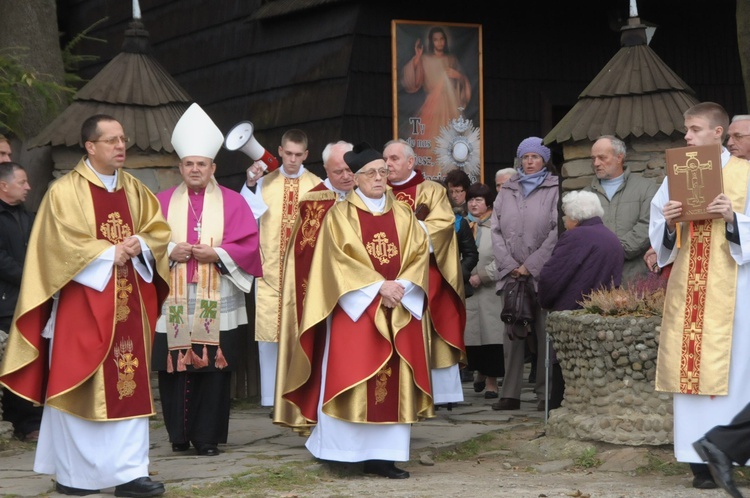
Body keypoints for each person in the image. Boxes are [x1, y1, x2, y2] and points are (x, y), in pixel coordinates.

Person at [0, 114, 171, 497]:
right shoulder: (65, 192)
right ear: (90, 146)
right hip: (83, 306)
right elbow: (55, 247)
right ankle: (76, 476)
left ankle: (130, 473)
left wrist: (140, 245)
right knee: (79, 383)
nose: (120, 146)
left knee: (129, 383)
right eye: (110, 140)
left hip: (129, 307)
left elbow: (158, 231)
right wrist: (110, 252)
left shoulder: (137, 191)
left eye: (122, 139)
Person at [275, 143, 433, 479]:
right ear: (356, 179)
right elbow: (336, 263)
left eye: (383, 172)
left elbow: (419, 254)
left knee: (393, 382)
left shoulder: (404, 214)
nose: (379, 178)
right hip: (356, 312)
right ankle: (343, 453)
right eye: (371, 173)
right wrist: (378, 287)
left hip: (399, 308)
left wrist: (401, 286)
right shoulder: (339, 216)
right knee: (351, 373)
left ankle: (385, 457)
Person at [649, 102, 750, 491]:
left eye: (693, 129)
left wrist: (735, 219)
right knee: (688, 366)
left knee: (736, 369)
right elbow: (659, 227)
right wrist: (671, 223)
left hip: (735, 290)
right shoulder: (676, 174)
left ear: (716, 133)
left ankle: (728, 449)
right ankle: (697, 460)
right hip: (690, 286)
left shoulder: (744, 174)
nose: (687, 136)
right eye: (686, 130)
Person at [152, 104, 262, 457]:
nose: (195, 169)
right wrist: (171, 250)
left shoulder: (232, 202)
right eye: (189, 164)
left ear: (213, 167)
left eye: (202, 164)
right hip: (175, 295)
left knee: (214, 367)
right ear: (180, 167)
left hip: (218, 292)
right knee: (176, 364)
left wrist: (218, 255)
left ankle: (208, 438)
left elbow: (249, 245)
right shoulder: (162, 202)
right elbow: (147, 242)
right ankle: (179, 435)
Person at [274, 140, 354, 424]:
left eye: (349, 169)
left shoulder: (373, 196)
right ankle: (318, 414)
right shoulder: (312, 201)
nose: (346, 176)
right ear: (325, 170)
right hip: (323, 294)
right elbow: (303, 253)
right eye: (337, 171)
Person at [240, 129, 322, 408]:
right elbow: (245, 216)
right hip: (270, 270)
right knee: (268, 335)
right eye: (288, 153)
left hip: (305, 272)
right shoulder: (264, 183)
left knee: (302, 330)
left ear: (306, 155)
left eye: (299, 155)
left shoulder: (318, 186)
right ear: (280, 151)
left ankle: (300, 391)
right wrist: (250, 184)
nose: (293, 159)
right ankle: (269, 396)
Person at [384, 139, 466, 407]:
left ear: (410, 162)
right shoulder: (378, 191)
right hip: (386, 275)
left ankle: (443, 394)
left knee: (435, 325)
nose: (388, 164)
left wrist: (408, 233)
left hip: (426, 273)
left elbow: (442, 227)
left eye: (395, 158)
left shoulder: (430, 190)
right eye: (386, 159)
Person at [538, 190, 624, 410]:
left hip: (572, 313)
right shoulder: (610, 237)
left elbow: (552, 275)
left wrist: (545, 300)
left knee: (563, 377)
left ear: (574, 217)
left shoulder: (576, 237)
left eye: (565, 216)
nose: (564, 221)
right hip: (601, 317)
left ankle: (555, 420)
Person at [490, 136, 558, 412]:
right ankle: (510, 393)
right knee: (512, 333)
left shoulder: (555, 187)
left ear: (544, 160)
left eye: (535, 157)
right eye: (525, 157)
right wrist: (509, 264)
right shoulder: (508, 189)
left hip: (541, 273)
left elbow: (556, 230)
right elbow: (495, 228)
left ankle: (545, 392)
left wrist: (531, 265)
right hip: (511, 274)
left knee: (544, 335)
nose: (529, 162)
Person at [0, 160, 43, 443]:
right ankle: (21, 422)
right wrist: (30, 278)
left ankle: (33, 420)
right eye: (22, 182)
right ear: (4, 186)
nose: (28, 187)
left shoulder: (28, 216)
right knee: (13, 362)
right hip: (7, 300)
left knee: (32, 359)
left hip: (31, 298)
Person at [585, 135, 657, 284]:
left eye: (602, 158)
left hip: (635, 277)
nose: (596, 163)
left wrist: (613, 251)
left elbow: (648, 225)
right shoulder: (585, 195)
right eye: (593, 159)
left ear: (619, 157)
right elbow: (580, 233)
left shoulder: (646, 188)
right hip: (597, 277)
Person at [401, 26, 472, 173]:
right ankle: (432, 177)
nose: (439, 43)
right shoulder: (425, 59)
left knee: (449, 143)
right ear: (431, 42)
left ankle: (449, 176)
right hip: (432, 107)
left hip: (450, 106)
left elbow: (460, 84)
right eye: (435, 40)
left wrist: (458, 76)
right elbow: (414, 82)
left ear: (445, 41)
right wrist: (417, 58)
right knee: (432, 143)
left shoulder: (451, 59)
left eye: (441, 39)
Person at [464, 182, 504, 399]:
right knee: (472, 340)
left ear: (488, 202)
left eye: (478, 199)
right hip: (467, 291)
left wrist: (484, 275)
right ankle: (479, 373)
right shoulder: (461, 226)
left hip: (490, 292)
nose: (474, 203)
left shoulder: (497, 226)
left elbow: (504, 257)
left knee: (492, 339)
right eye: (470, 199)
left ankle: (491, 382)